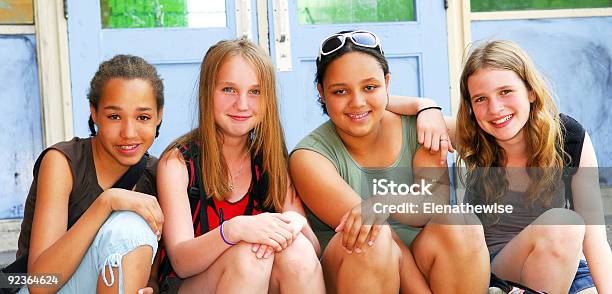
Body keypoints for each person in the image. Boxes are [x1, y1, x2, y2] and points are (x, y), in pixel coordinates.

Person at [389, 40, 612, 293]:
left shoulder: (568, 139)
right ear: (471, 107)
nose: (495, 109)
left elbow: (595, 238)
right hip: (494, 269)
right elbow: (368, 100)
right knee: (565, 224)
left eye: (506, 91)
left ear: (530, 90)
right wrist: (425, 106)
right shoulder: (472, 136)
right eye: (481, 99)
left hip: (562, 262)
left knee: (568, 227)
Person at [289, 30, 489, 293]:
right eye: (340, 91)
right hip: (352, 273)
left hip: (423, 262)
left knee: (460, 222)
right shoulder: (309, 157)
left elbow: (430, 206)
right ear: (322, 93)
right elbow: (373, 228)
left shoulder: (421, 128)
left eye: (370, 87)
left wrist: (427, 107)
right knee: (372, 237)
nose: (357, 102)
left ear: (387, 82)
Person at [156, 38, 324, 294]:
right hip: (191, 285)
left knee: (297, 250)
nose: (242, 105)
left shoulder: (268, 159)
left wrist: (295, 224)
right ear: (207, 92)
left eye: (255, 92)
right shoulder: (178, 162)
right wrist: (234, 230)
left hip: (257, 279)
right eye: (229, 90)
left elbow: (313, 250)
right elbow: (181, 262)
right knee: (249, 256)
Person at [16, 55, 164, 293]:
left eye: (143, 117)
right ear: (94, 113)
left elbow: (153, 276)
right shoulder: (62, 162)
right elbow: (39, 284)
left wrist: (150, 289)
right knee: (130, 226)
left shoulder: (157, 174)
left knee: (132, 226)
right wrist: (107, 202)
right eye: (114, 116)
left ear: (159, 116)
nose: (128, 132)